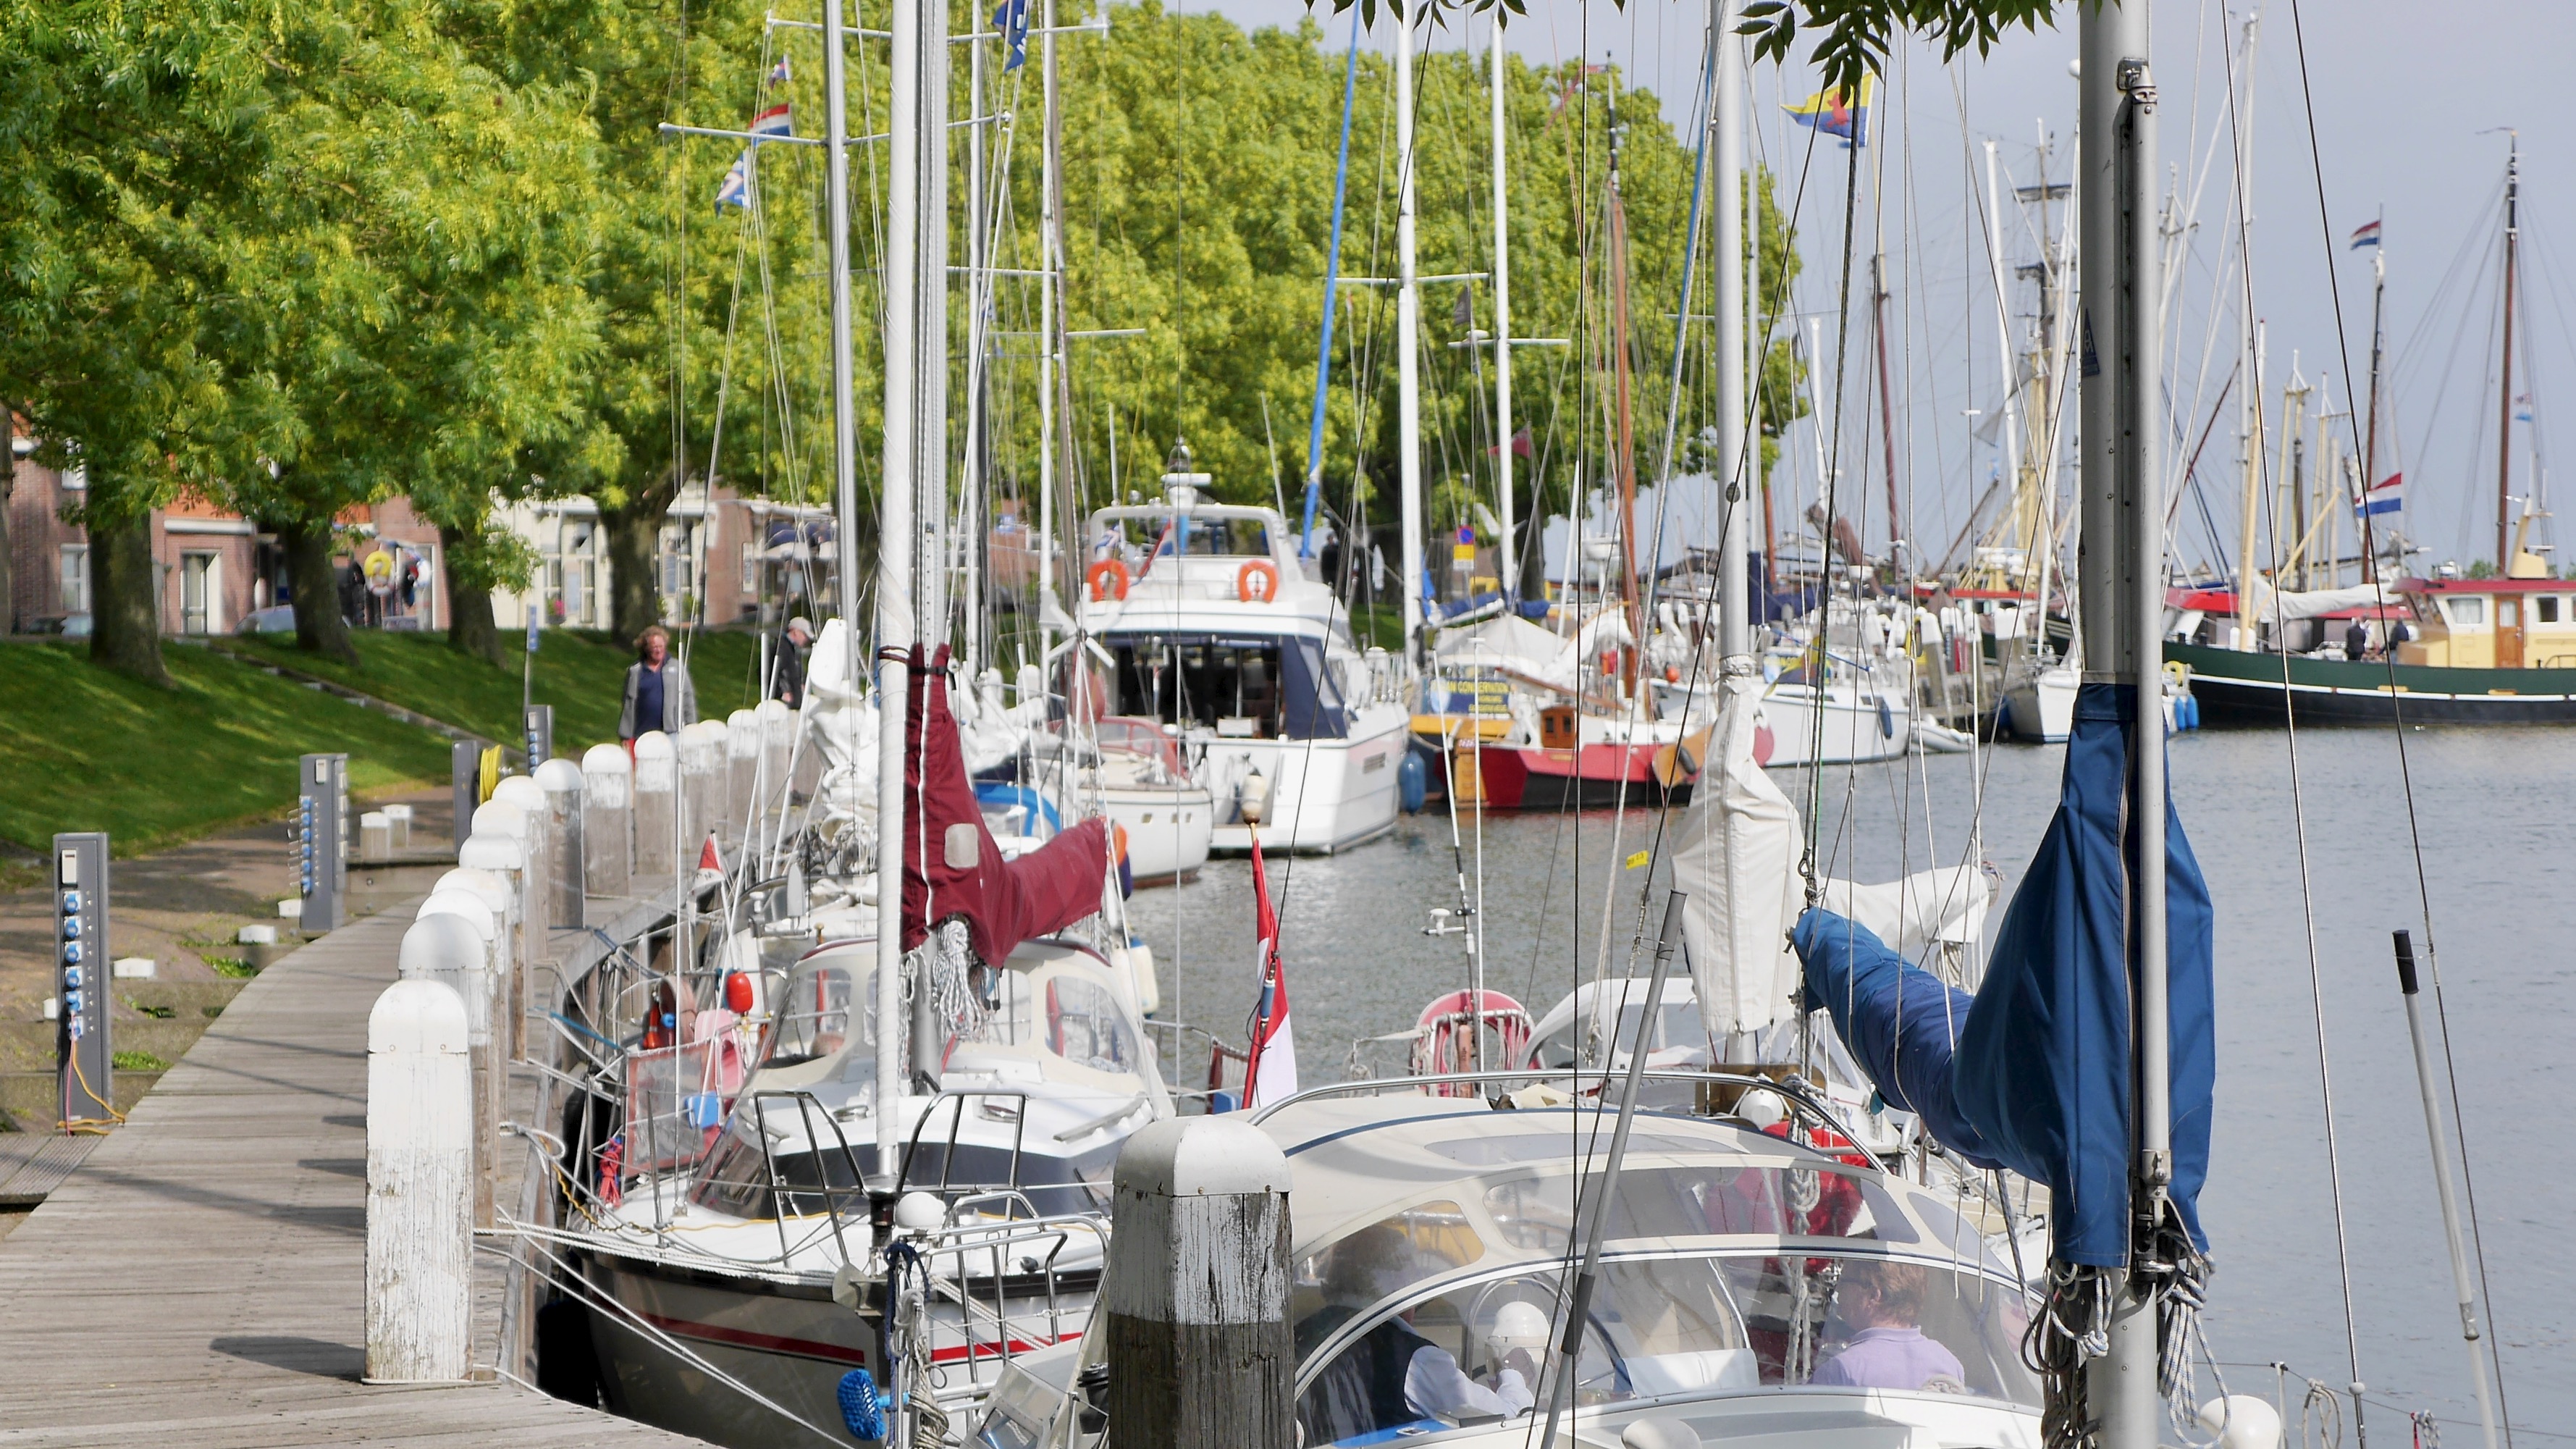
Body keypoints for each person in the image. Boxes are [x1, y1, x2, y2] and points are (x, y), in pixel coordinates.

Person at [1811, 1259, 1966, 1392]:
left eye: (1844, 1281)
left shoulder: (1840, 1370)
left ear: (1874, 1295)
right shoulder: (1949, 1363)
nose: (1837, 1289)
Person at [619, 625, 697, 744]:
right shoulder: (635, 671)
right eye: (654, 647)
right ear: (646, 648)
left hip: (671, 734)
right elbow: (628, 704)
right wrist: (625, 734)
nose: (658, 650)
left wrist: (692, 728)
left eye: (661, 646)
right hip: (642, 735)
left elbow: (688, 699)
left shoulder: (677, 668)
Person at [771, 616, 812, 708]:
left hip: (793, 703)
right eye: (805, 635)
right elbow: (770, 671)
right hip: (784, 704)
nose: (806, 639)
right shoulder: (781, 648)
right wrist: (780, 694)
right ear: (796, 632)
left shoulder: (791, 649)